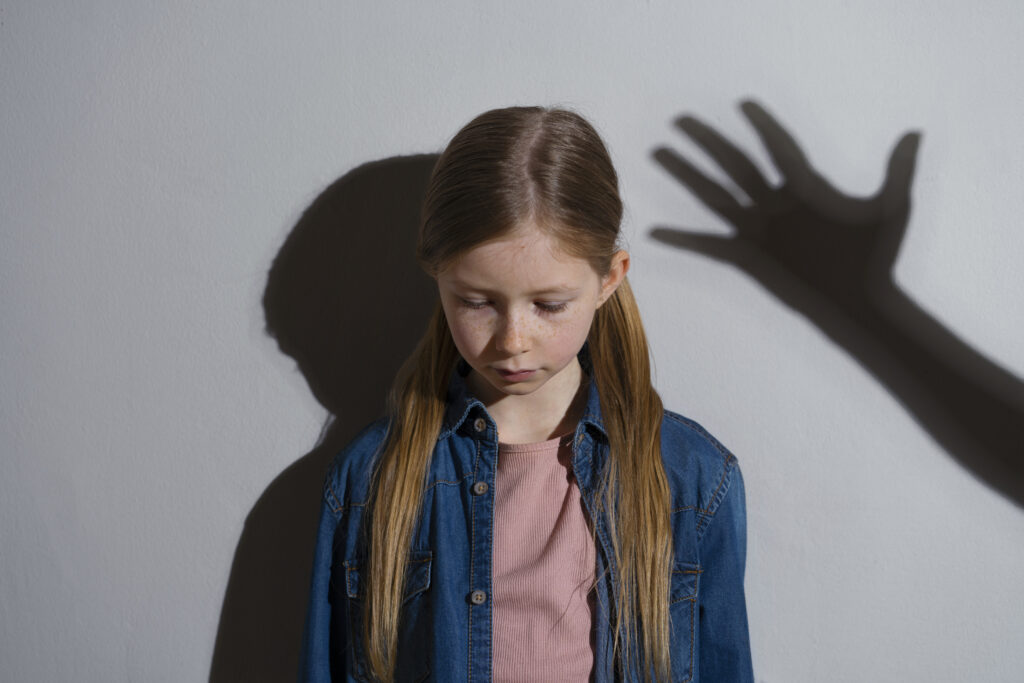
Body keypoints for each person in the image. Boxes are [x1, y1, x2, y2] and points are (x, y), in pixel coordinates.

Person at [300, 106, 753, 683]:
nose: (513, 341)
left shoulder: (693, 479)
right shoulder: (369, 482)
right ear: (437, 277)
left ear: (610, 279)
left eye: (549, 305)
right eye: (477, 302)